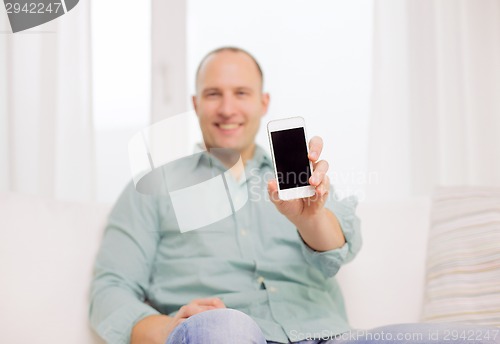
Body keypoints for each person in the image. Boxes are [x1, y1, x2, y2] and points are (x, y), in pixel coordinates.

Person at [89, 47, 499, 344]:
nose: (227, 108)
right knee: (227, 327)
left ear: (263, 102)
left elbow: (340, 245)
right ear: (196, 104)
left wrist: (309, 219)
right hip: (226, 335)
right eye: (214, 94)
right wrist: (173, 328)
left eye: (242, 93)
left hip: (329, 336)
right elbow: (110, 291)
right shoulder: (153, 189)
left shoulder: (298, 176)